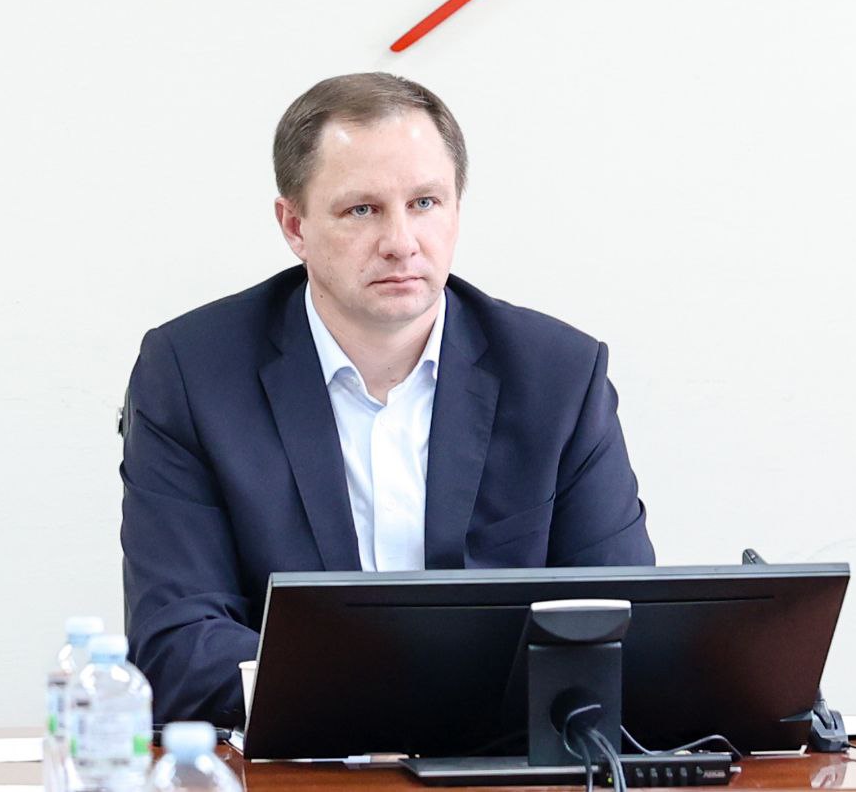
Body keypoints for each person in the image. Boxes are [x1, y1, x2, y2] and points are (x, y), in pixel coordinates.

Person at [120, 72, 654, 728]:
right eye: (362, 210)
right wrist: (379, 698)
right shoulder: (192, 373)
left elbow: (622, 624)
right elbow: (176, 645)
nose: (401, 241)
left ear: (456, 209)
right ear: (294, 225)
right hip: (302, 763)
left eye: (425, 203)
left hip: (505, 763)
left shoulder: (559, 377)